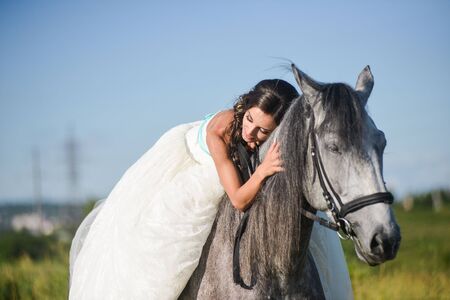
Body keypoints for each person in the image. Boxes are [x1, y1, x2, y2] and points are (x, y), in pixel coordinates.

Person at [69, 79, 352, 299]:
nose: (250, 133)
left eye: (263, 131)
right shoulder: (226, 130)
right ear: (246, 105)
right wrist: (264, 171)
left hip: (240, 162)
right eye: (250, 119)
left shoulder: (272, 138)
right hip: (202, 160)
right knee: (169, 240)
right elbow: (240, 199)